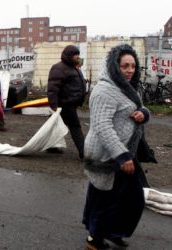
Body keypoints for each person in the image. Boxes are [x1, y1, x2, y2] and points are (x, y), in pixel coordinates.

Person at [82, 44, 150, 249]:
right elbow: (102, 126)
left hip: (125, 150)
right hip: (108, 154)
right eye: (124, 66)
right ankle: (95, 238)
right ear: (114, 66)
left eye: (133, 66)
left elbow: (138, 107)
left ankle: (110, 230)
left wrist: (144, 113)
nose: (130, 70)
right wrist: (122, 156)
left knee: (129, 197)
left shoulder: (125, 87)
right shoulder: (104, 91)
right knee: (106, 199)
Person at [47, 45, 86, 159]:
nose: (78, 57)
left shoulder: (74, 67)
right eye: (75, 55)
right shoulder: (58, 68)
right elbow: (53, 88)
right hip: (65, 103)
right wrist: (53, 104)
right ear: (69, 55)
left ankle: (51, 146)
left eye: (78, 54)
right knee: (75, 126)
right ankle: (83, 152)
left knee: (54, 124)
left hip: (71, 102)